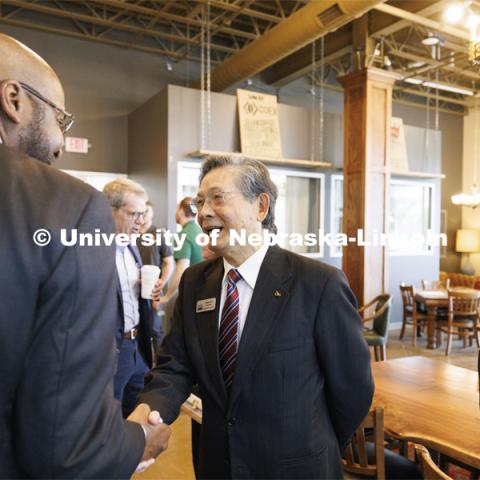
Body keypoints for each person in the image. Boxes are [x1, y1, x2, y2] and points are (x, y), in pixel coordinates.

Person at [138, 156, 374, 479]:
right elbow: (174, 367)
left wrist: (314, 445)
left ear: (261, 207)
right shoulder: (195, 283)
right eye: (200, 201)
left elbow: (353, 389)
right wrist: (144, 418)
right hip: (218, 467)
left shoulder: (318, 283)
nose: (204, 212)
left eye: (218, 198)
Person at [0, 33, 170, 478]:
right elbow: (66, 445)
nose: (58, 142)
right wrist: (138, 442)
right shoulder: (66, 206)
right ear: (13, 99)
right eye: (60, 118)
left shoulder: (139, 246)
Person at [103, 179, 161, 418]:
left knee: (135, 418)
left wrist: (148, 292)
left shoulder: (132, 246)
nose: (141, 221)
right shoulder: (94, 250)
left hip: (137, 349)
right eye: (134, 214)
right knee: (108, 422)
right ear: (111, 210)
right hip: (111, 353)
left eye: (143, 213)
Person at [139, 201, 174, 349]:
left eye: (147, 211)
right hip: (133, 289)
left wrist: (161, 282)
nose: (144, 214)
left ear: (152, 213)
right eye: (142, 211)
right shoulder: (129, 233)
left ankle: (160, 367)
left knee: (155, 330)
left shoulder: (159, 234)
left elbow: (169, 263)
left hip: (152, 290)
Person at [157, 197, 203, 306]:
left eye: (176, 209)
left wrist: (167, 297)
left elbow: (181, 269)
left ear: (181, 212)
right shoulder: (199, 231)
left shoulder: (183, 235)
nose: (175, 213)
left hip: (192, 294)